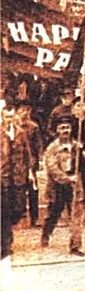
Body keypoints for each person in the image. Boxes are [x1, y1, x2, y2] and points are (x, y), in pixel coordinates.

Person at [40, 115, 85, 256]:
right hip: (58, 186)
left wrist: (82, 151)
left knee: (76, 216)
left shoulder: (76, 145)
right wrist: (67, 178)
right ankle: (46, 233)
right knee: (53, 214)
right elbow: (52, 168)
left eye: (67, 127)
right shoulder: (52, 148)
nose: (65, 131)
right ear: (57, 130)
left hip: (74, 185)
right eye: (62, 128)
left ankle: (75, 245)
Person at [1, 105, 32, 259]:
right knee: (4, 212)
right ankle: (7, 243)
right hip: (3, 178)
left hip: (19, 177)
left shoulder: (21, 133)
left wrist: (30, 172)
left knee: (19, 208)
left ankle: (8, 234)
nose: (9, 120)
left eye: (11, 117)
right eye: (6, 117)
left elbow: (27, 153)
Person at [15, 104, 43, 227]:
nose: (24, 113)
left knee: (33, 190)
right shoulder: (13, 128)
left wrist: (39, 160)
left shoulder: (33, 127)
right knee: (18, 191)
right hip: (16, 164)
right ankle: (20, 216)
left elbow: (39, 145)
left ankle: (34, 217)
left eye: (27, 110)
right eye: (22, 110)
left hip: (30, 163)